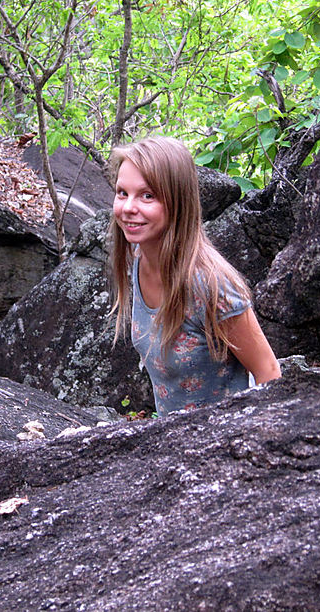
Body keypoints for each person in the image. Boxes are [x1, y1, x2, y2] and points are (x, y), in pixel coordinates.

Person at [109, 136, 281, 416]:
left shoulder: (210, 284)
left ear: (178, 201)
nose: (128, 207)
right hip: (173, 442)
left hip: (222, 444)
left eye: (147, 195)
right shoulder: (137, 260)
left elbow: (270, 374)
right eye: (122, 193)